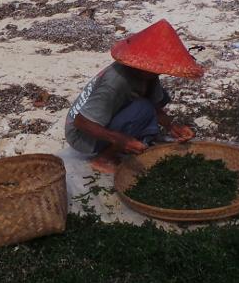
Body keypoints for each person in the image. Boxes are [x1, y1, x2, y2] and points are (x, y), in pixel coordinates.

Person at [64, 19, 202, 173]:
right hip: (81, 135)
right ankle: (104, 158)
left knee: (147, 108)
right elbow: (81, 122)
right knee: (143, 109)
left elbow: (155, 105)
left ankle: (123, 140)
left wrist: (172, 126)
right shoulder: (116, 82)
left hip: (102, 118)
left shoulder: (147, 73)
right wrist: (120, 139)